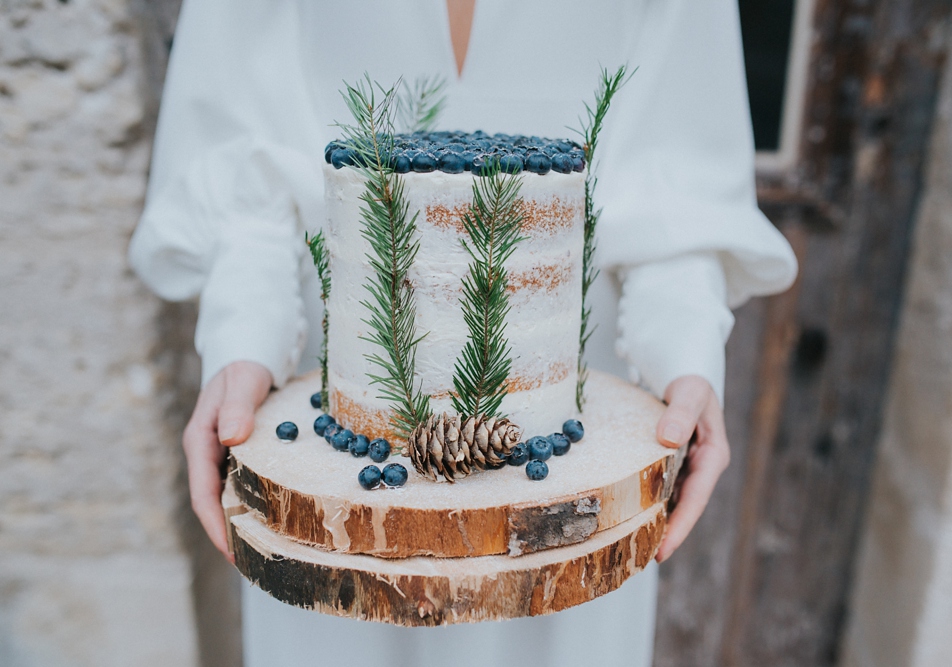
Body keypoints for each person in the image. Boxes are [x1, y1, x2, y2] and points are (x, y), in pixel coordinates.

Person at [129, 0, 797, 665]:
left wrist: (684, 352)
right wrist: (243, 337)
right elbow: (242, 156)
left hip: (562, 443)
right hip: (343, 434)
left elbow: (675, 178)